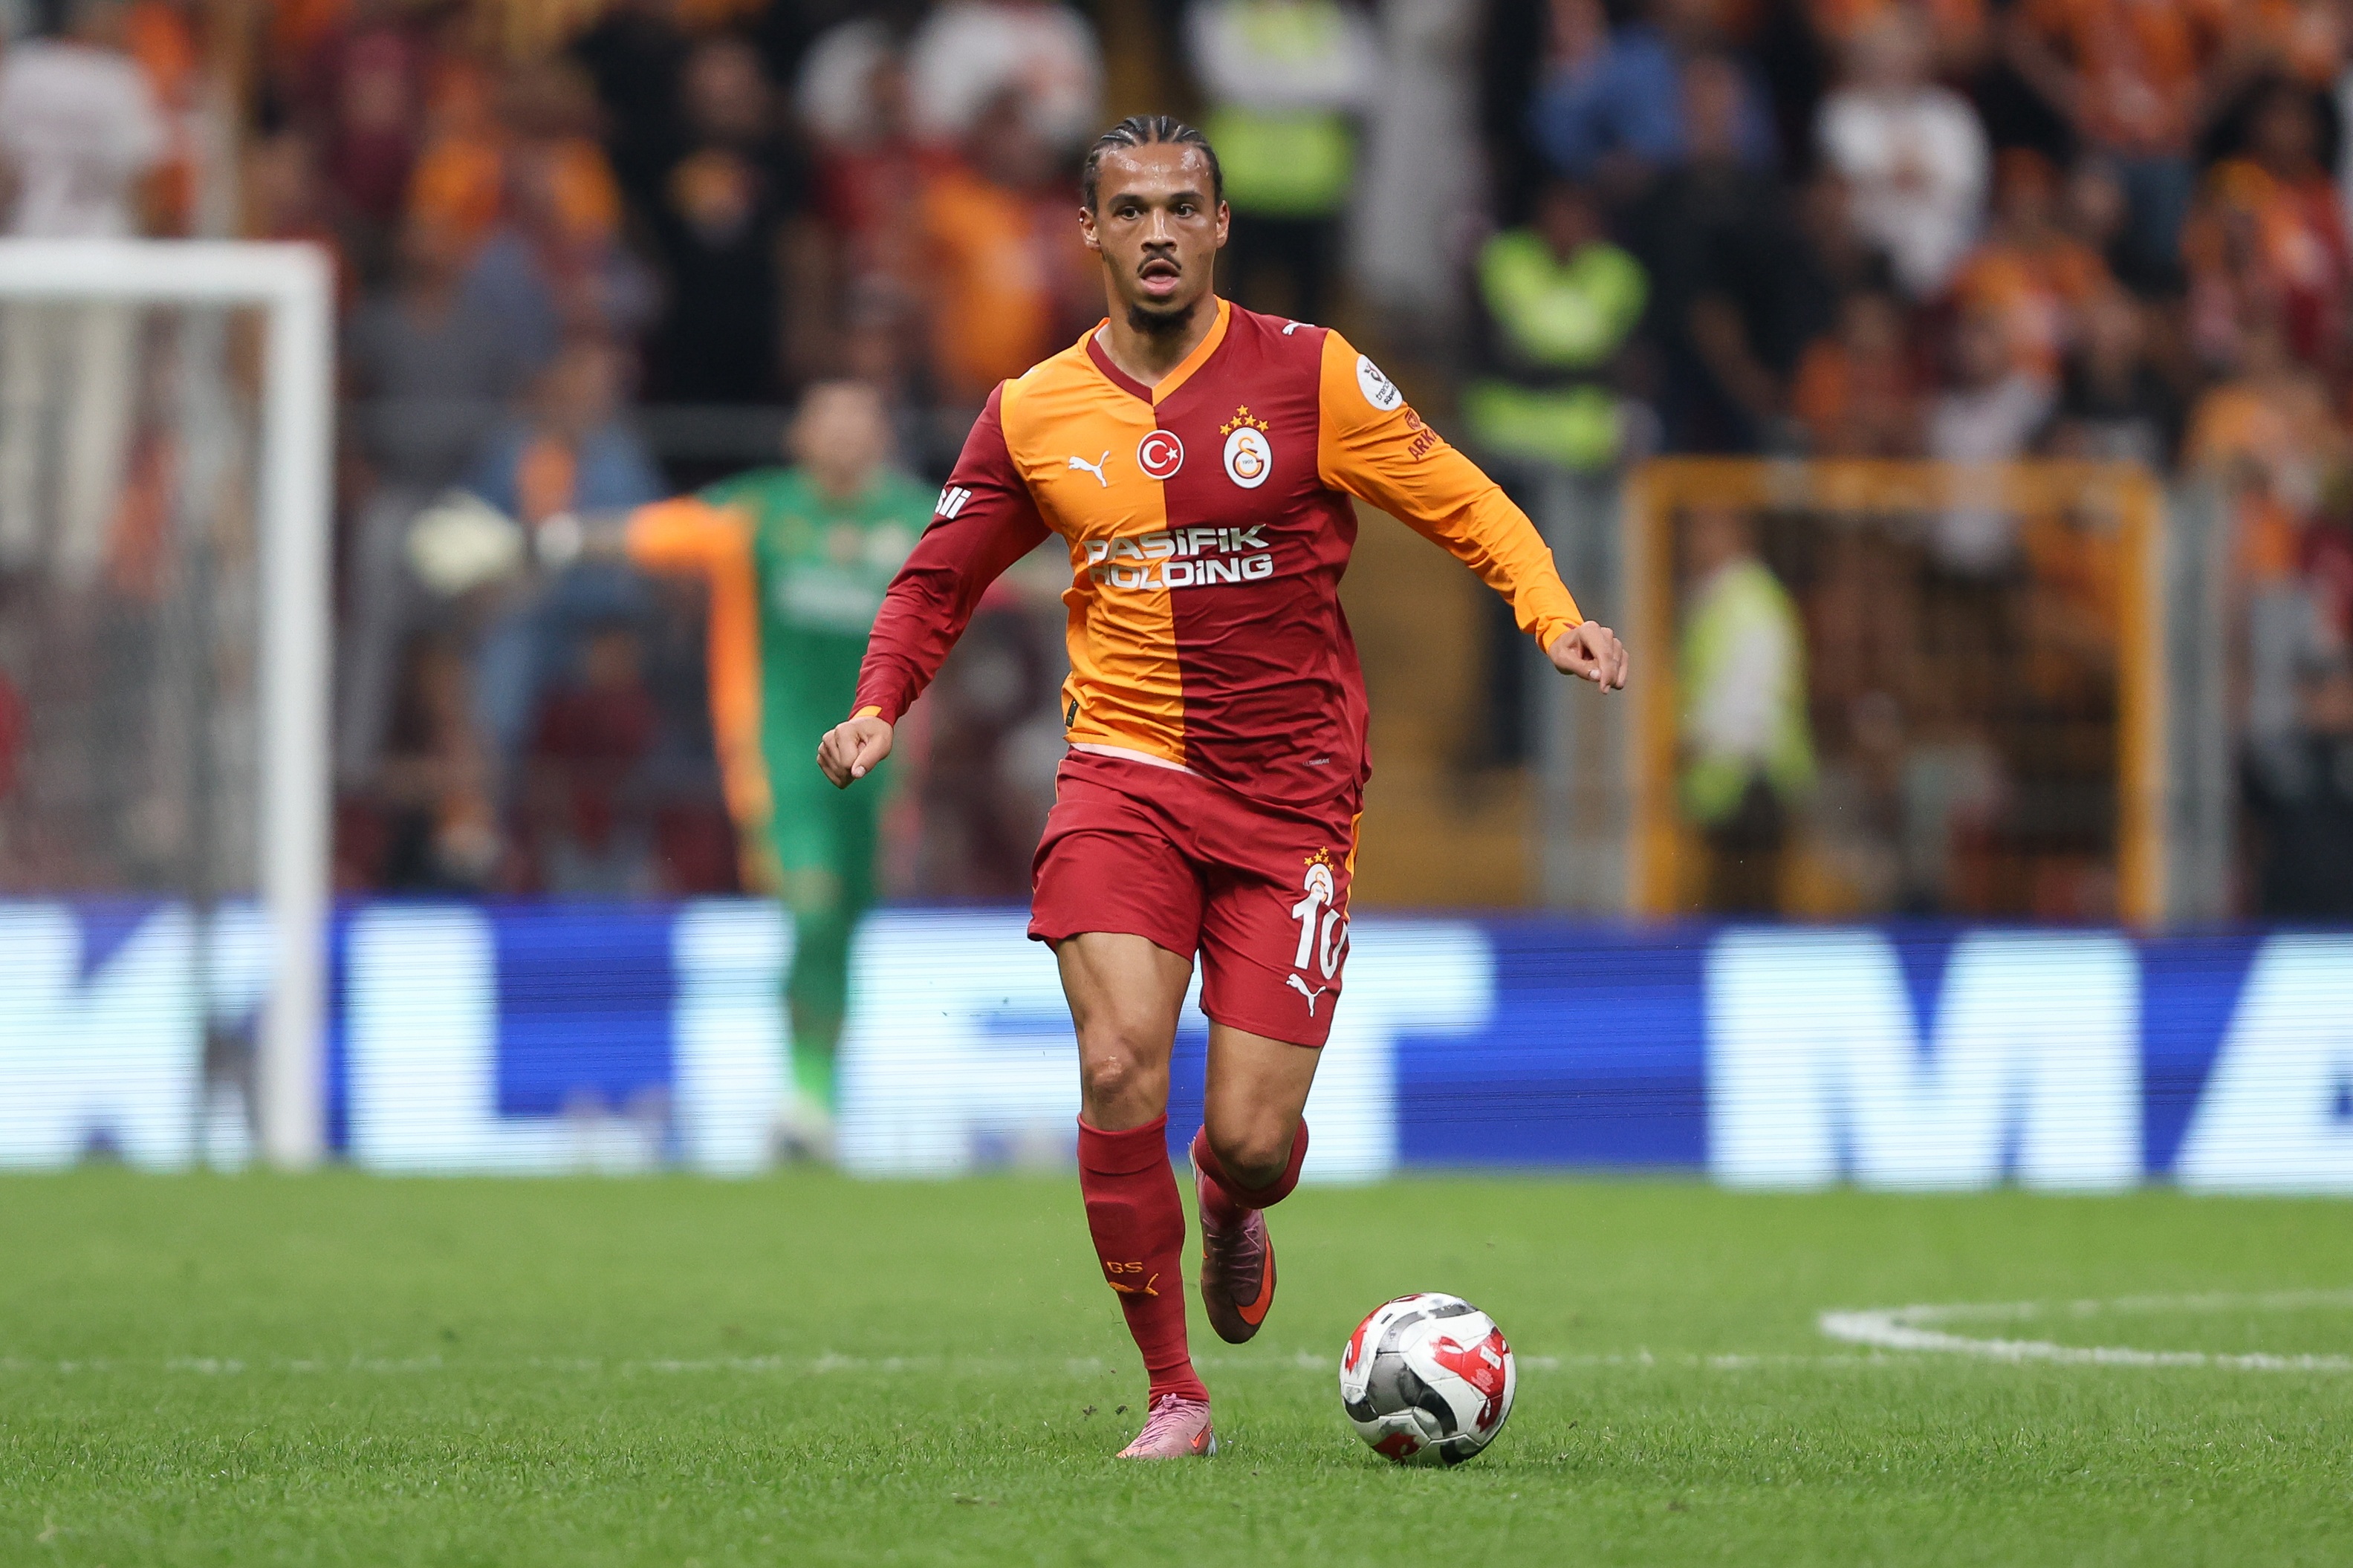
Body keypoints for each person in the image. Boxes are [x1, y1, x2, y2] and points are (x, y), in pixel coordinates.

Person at [816, 116, 1626, 1459]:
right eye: (1127, 210)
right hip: (1122, 777)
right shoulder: (1032, 410)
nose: (1154, 232)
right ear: (1089, 232)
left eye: (1180, 207)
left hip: (1290, 799)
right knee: (1119, 1057)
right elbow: (934, 580)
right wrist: (877, 705)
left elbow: (1464, 499)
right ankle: (1173, 1393)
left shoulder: (1311, 377)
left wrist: (1551, 614)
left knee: (1251, 1138)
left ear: (1220, 225)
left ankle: (1232, 1201)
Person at [623, 382, 931, 1155]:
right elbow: (648, 536)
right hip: (784, 756)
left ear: (881, 433)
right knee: (812, 906)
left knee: (843, 927)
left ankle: (819, 1090)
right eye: (827, 420)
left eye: (860, 418)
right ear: (799, 434)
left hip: (882, 760)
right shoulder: (760, 512)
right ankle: (805, 1092)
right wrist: (543, 538)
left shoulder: (916, 518)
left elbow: (1010, 570)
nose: (842, 435)